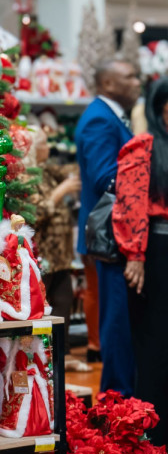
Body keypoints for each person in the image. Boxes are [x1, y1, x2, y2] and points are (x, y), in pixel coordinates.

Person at [74, 59, 140, 395]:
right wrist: (148, 179)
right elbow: (106, 177)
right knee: (117, 321)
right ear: (109, 84)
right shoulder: (100, 118)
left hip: (119, 236)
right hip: (113, 237)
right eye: (130, 75)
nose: (138, 81)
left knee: (122, 319)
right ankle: (118, 400)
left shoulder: (110, 115)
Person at [112, 77, 168, 444]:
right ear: (160, 107)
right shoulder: (143, 147)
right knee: (155, 345)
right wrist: (135, 254)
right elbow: (129, 202)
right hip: (156, 253)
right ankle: (156, 436)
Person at [31, 125, 80, 324]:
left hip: (60, 256)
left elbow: (70, 171)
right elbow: (36, 214)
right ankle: (49, 353)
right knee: (44, 308)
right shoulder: (28, 176)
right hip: (43, 255)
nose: (47, 148)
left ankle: (63, 352)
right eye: (43, 144)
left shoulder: (46, 170)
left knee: (63, 302)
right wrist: (61, 191)